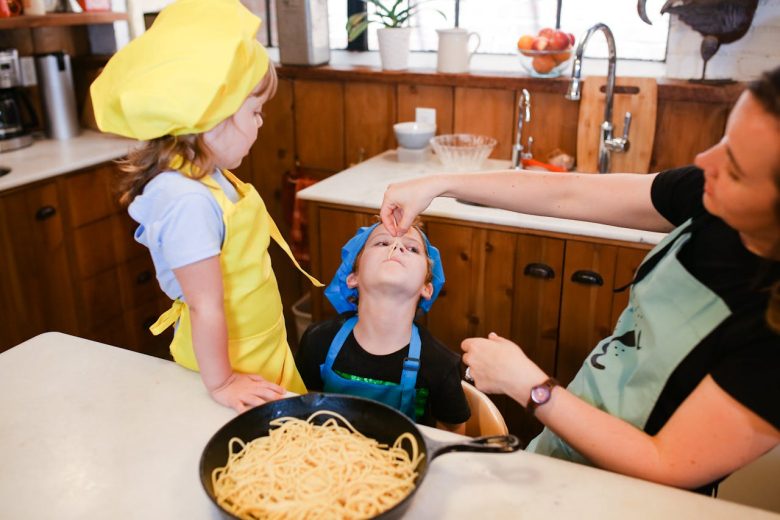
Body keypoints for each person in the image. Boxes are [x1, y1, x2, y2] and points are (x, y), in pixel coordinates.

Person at [379, 67, 780, 493]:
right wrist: (441, 182)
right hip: (565, 443)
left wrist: (530, 386)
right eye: (724, 140)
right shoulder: (706, 195)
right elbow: (567, 193)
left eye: (734, 169)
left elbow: (665, 463)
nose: (705, 163)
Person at [90, 0, 322, 413]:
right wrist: (223, 383)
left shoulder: (209, 175)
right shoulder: (188, 201)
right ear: (212, 117)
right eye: (255, 111)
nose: (261, 123)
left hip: (259, 344)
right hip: (228, 362)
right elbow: (204, 304)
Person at [295, 219, 471, 433]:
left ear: (427, 288)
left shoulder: (439, 364)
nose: (397, 247)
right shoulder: (318, 341)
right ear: (353, 278)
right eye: (382, 243)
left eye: (413, 248)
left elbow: (454, 437)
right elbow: (301, 414)